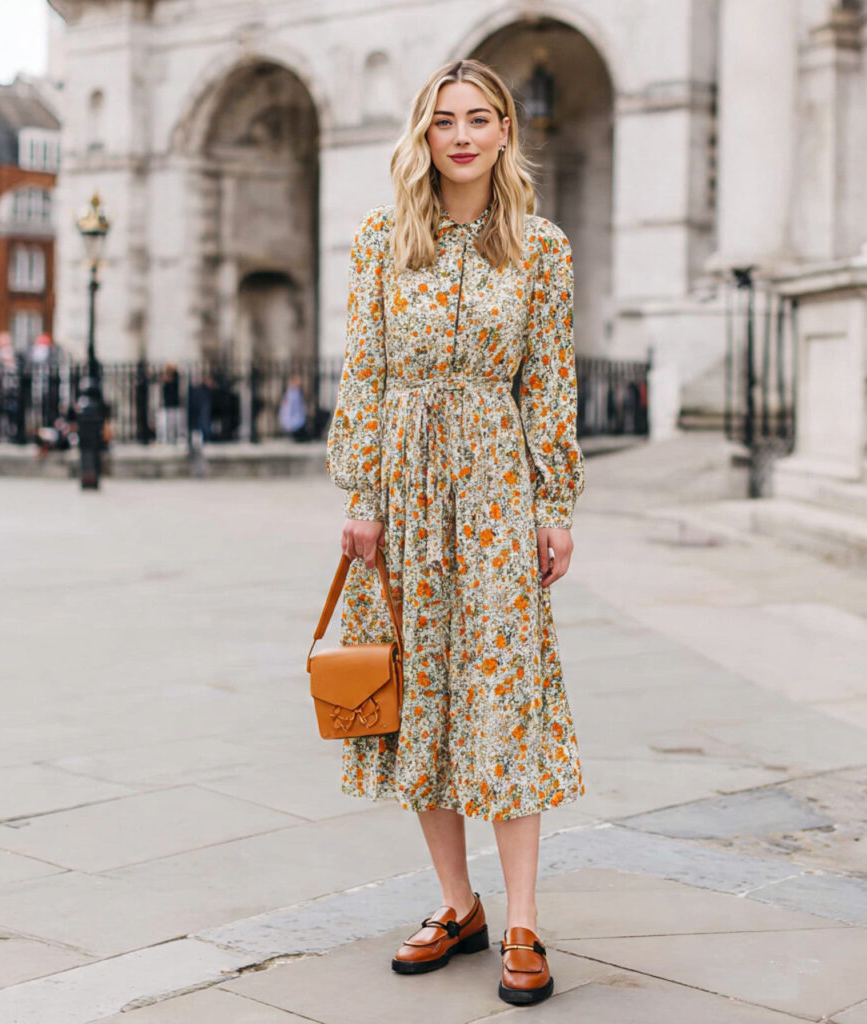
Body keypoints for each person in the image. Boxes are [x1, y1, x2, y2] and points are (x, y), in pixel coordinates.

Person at [326, 59, 585, 1007]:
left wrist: (554, 504)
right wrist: (361, 492)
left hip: (495, 487)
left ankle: (522, 921)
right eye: (446, 122)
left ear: (507, 131)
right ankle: (456, 903)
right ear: (424, 136)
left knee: (506, 693)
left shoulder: (543, 249)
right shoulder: (380, 241)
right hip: (401, 489)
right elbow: (364, 372)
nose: (464, 135)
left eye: (482, 118)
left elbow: (548, 384)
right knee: (419, 689)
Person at [278, 374, 309, 441]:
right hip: (293, 422)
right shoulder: (292, 393)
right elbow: (290, 408)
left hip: (295, 420)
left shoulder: (296, 392)